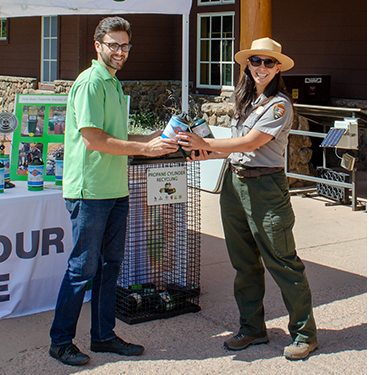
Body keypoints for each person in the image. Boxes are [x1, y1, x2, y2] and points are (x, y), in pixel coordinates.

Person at [177, 37, 318, 360]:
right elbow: (237, 148)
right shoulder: (246, 99)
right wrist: (203, 153)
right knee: (244, 264)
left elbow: (252, 142)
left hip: (266, 188)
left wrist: (207, 144)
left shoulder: (279, 104)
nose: (262, 68)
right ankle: (252, 329)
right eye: (256, 61)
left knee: (283, 262)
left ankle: (304, 334)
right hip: (235, 185)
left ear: (278, 67)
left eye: (269, 62)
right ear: (248, 65)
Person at [48, 16, 177, 367]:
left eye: (125, 46)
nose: (120, 52)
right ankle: (60, 342)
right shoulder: (91, 83)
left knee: (109, 267)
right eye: (113, 45)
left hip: (115, 190)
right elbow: (94, 140)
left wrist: (154, 141)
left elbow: (116, 136)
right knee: (82, 269)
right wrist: (144, 150)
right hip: (90, 191)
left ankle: (103, 337)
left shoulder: (113, 84)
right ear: (98, 45)